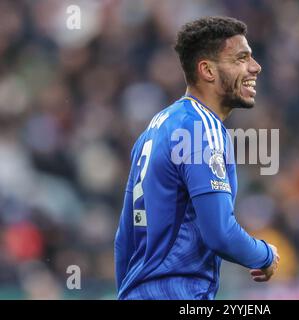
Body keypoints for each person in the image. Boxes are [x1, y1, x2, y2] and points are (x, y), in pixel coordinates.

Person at [114, 16, 280, 300]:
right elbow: (220, 234)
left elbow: (124, 241)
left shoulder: (157, 127)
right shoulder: (202, 127)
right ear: (207, 70)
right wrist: (264, 254)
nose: (256, 67)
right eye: (241, 59)